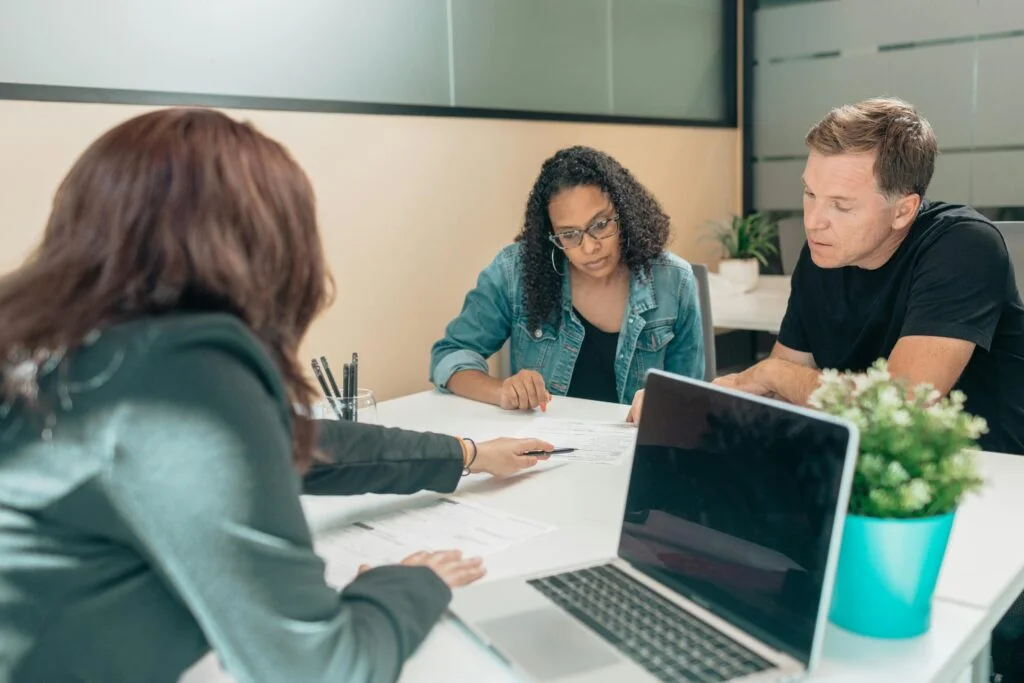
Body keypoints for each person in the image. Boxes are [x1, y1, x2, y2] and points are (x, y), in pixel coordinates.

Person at [0, 108, 554, 683]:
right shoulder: (178, 367)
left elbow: (295, 441)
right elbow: (321, 669)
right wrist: (409, 582)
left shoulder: (67, 347)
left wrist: (465, 453)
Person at [631, 97, 1024, 457]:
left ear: (904, 211)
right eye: (809, 194)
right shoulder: (823, 254)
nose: (814, 221)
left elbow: (901, 404)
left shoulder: (964, 245)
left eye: (840, 205)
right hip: (870, 468)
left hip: (985, 477)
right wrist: (690, 404)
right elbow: (775, 397)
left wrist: (774, 373)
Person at [429, 146, 704, 421]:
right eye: (569, 234)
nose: (589, 247)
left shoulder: (674, 280)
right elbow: (450, 356)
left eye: (600, 225)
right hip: (544, 453)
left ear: (625, 212)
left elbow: (690, 395)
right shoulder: (515, 272)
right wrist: (502, 390)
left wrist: (666, 403)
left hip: (633, 452)